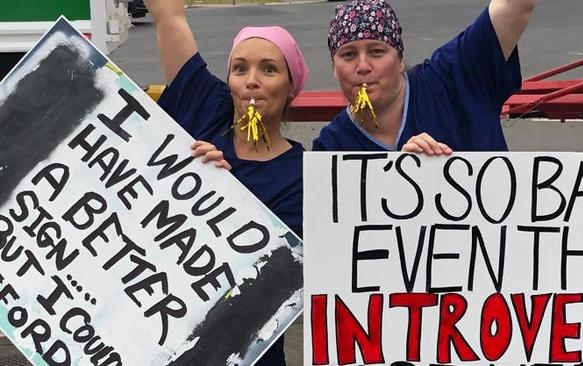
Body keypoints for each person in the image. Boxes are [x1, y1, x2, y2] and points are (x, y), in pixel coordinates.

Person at [143, 0, 308, 364]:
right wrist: (185, 181)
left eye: (269, 69)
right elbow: (168, 14)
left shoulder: (307, 177)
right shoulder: (201, 131)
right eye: (239, 68)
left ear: (291, 87)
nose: (251, 80)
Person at [312, 0, 539, 155]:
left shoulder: (456, 75)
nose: (362, 66)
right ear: (334, 67)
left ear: (400, 60)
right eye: (349, 55)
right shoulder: (331, 147)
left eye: (376, 51)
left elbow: (517, 6)